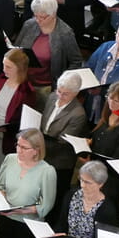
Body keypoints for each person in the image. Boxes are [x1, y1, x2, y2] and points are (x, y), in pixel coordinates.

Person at [41, 71, 91, 223]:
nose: (60, 96)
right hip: (44, 154)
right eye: (59, 91)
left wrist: (37, 144)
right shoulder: (51, 98)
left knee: (54, 196)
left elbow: (63, 142)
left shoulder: (78, 114)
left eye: (65, 94)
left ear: (75, 94)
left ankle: (50, 227)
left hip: (60, 161)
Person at [16, 0, 81, 90]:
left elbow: (76, 61)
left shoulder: (65, 33)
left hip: (46, 86)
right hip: (23, 80)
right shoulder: (29, 24)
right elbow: (17, 47)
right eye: (35, 15)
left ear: (53, 14)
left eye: (42, 17)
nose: (37, 20)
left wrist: (63, 81)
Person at [0, 48, 38, 156]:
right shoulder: (0, 80)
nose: (4, 69)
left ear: (19, 68)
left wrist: (6, 128)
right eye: (3, 65)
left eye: (8, 67)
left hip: (9, 138)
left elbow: (25, 123)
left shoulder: (27, 92)